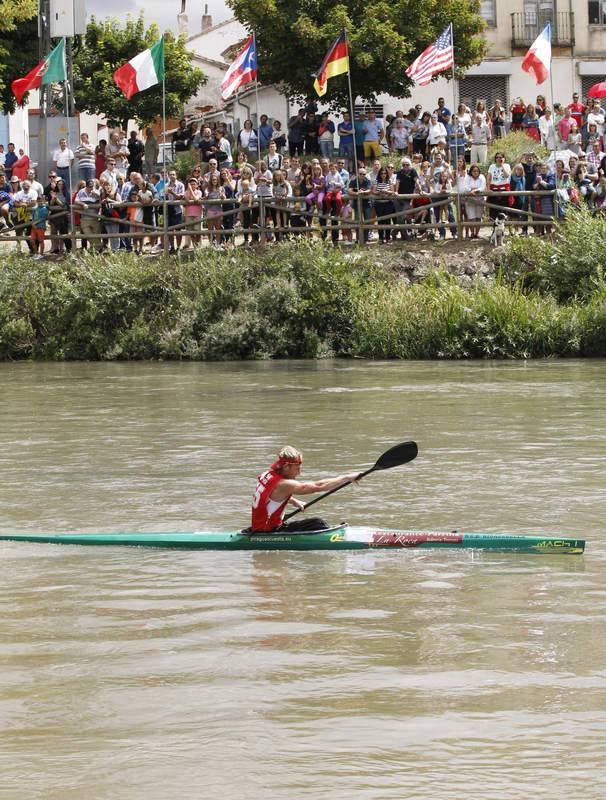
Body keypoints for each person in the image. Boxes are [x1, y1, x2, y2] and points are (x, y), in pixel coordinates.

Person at [250, 446, 361, 533]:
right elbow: (319, 486)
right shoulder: (285, 484)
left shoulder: (267, 475)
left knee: (315, 523)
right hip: (268, 530)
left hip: (259, 526)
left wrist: (294, 501)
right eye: (297, 468)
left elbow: (269, 495)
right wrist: (346, 478)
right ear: (286, 466)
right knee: (318, 524)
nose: (299, 472)